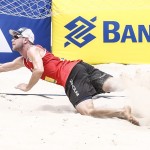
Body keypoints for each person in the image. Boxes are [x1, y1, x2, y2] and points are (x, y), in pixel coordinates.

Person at [0, 27, 139, 126]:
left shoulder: (32, 50)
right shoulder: (23, 60)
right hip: (79, 66)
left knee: (87, 111)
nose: (12, 39)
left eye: (16, 36)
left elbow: (38, 70)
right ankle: (137, 81)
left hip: (70, 75)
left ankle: (122, 112)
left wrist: (27, 87)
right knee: (113, 85)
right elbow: (3, 67)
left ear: (25, 40)